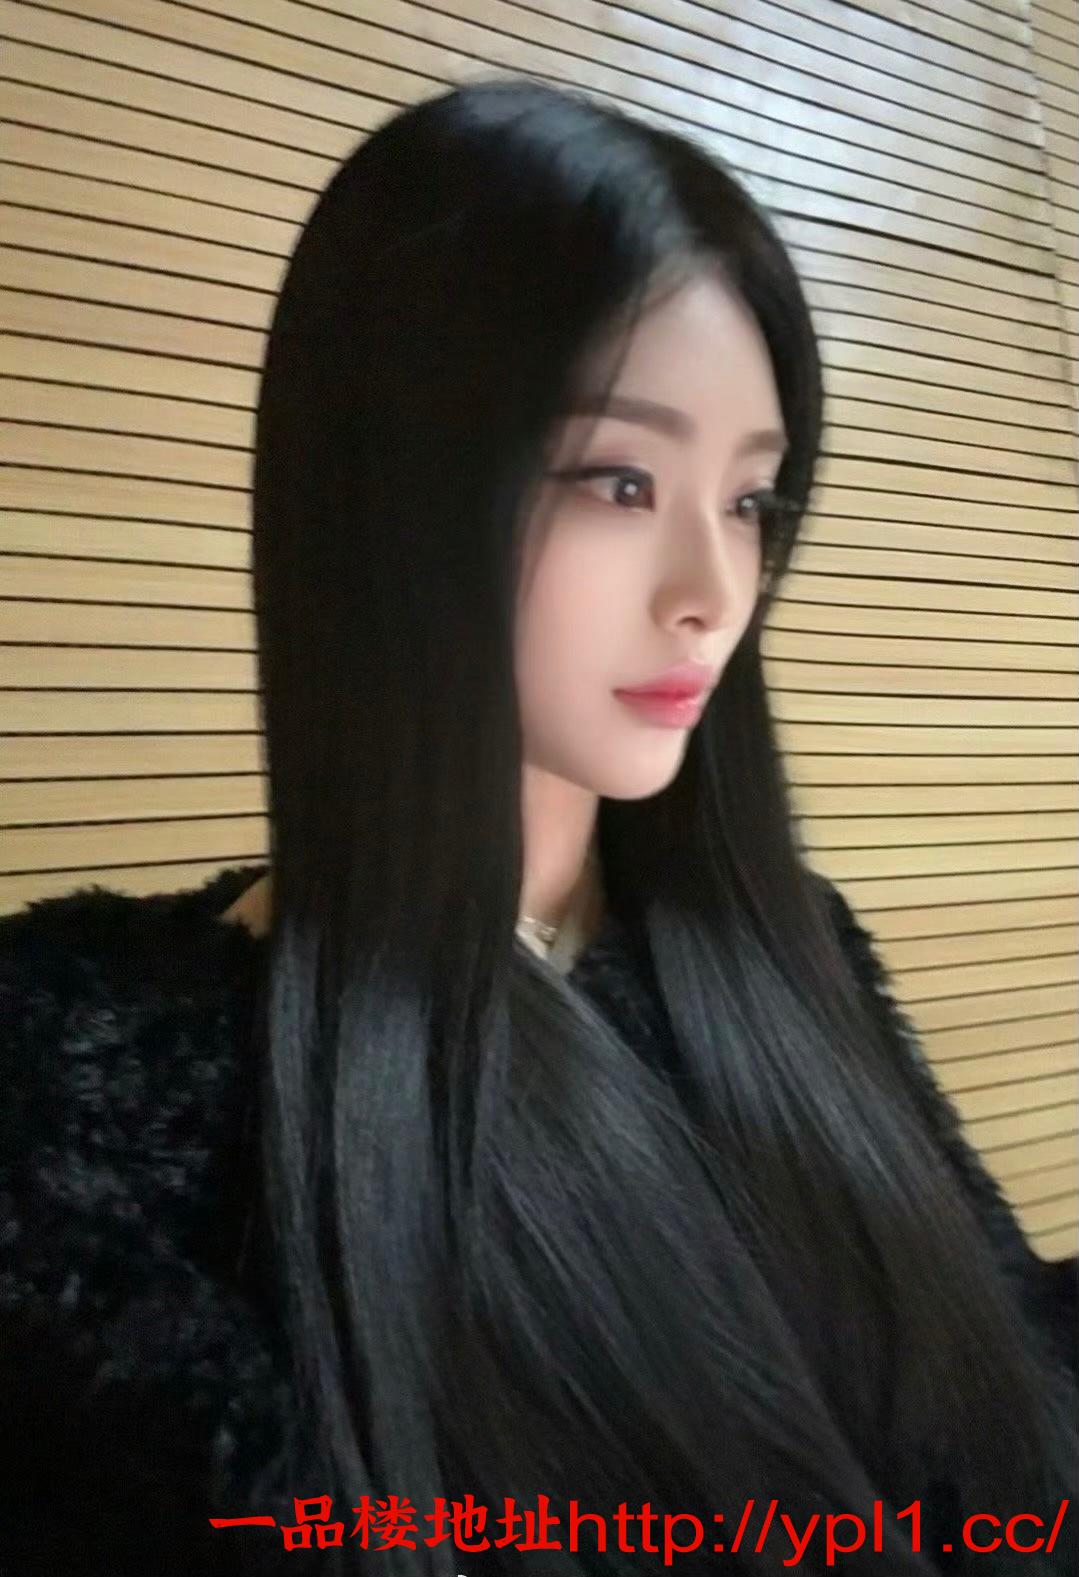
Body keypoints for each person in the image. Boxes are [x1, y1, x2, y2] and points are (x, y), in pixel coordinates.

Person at [0, 76, 1074, 1577]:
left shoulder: (787, 949)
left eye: (751, 501)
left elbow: (1007, 1393)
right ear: (395, 485)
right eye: (621, 481)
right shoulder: (84, 1078)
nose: (714, 590)